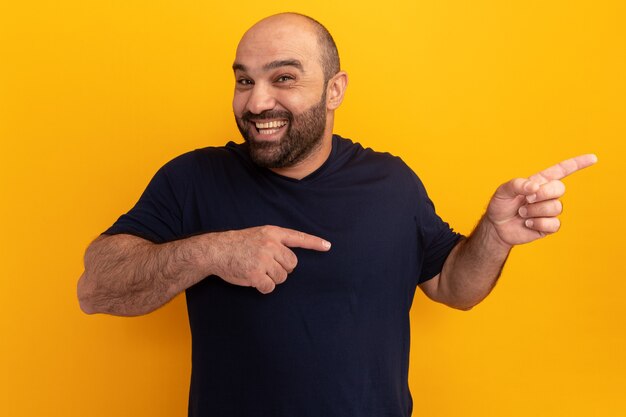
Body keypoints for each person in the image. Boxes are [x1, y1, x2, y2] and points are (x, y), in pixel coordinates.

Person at [77, 12, 597, 417]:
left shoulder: (391, 184)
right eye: (243, 81)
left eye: (283, 78)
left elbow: (452, 287)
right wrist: (213, 251)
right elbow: (95, 287)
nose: (257, 102)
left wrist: (495, 235)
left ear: (334, 90)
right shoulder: (193, 179)